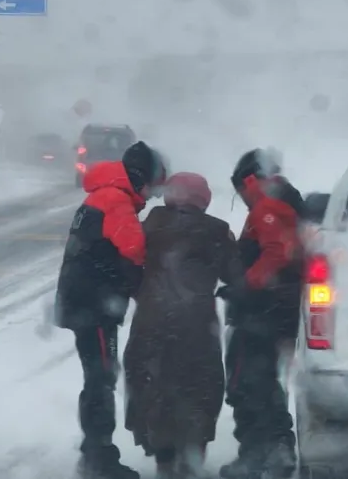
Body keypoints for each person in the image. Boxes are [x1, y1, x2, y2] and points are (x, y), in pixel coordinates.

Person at [54, 141, 167, 479]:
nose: (153, 196)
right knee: (101, 379)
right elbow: (134, 252)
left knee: (97, 377)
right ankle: (99, 459)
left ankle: (94, 453)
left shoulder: (103, 195)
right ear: (138, 178)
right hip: (94, 306)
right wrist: (150, 292)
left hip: (84, 302)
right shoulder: (116, 202)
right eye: (153, 186)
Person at [123, 172, 245, 479]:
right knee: (199, 385)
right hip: (196, 325)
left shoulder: (148, 226)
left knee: (152, 382)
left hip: (149, 321)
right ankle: (193, 450)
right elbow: (236, 275)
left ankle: (162, 451)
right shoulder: (216, 231)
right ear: (203, 199)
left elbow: (127, 265)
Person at [218, 148, 307, 479]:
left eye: (240, 189)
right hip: (279, 308)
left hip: (261, 311)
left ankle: (254, 455)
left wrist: (246, 285)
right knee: (266, 379)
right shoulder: (285, 200)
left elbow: (275, 252)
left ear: (250, 180)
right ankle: (280, 447)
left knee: (245, 381)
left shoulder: (268, 205)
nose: (241, 198)